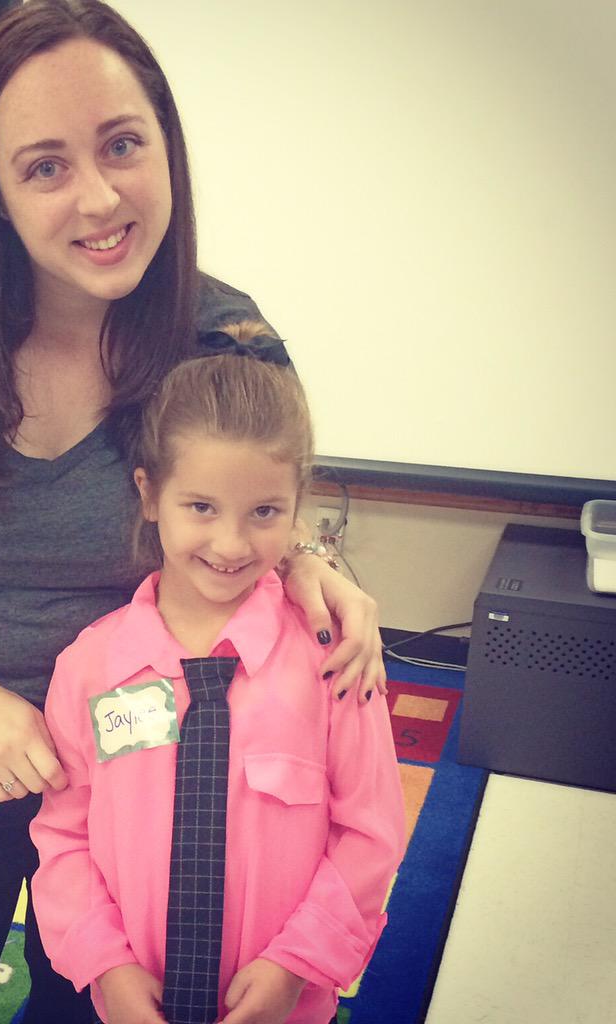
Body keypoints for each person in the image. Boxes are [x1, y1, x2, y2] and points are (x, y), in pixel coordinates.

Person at [0, 1, 385, 1020]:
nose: (101, 197)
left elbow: (256, 509)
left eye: (122, 145)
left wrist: (315, 566)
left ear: (166, 147)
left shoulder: (225, 337)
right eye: (45, 166)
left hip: (155, 769)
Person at [30, 325, 407, 1024]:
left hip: (283, 1002)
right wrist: (104, 962)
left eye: (264, 512)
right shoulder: (89, 667)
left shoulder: (334, 659)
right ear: (149, 494)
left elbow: (372, 831)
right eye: (201, 507)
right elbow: (65, 835)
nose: (231, 544)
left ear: (297, 509)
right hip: (132, 998)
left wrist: (298, 964)